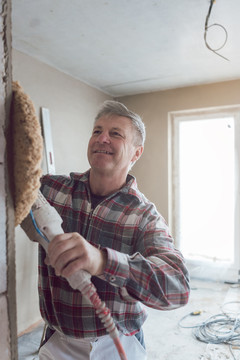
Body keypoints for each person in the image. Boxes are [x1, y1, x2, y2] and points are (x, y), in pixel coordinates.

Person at [23, 100, 190, 360]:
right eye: (97, 131)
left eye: (115, 134)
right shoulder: (50, 190)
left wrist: (102, 261)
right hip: (57, 341)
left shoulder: (144, 215)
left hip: (117, 344)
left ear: (136, 153)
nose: (102, 138)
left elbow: (177, 287)